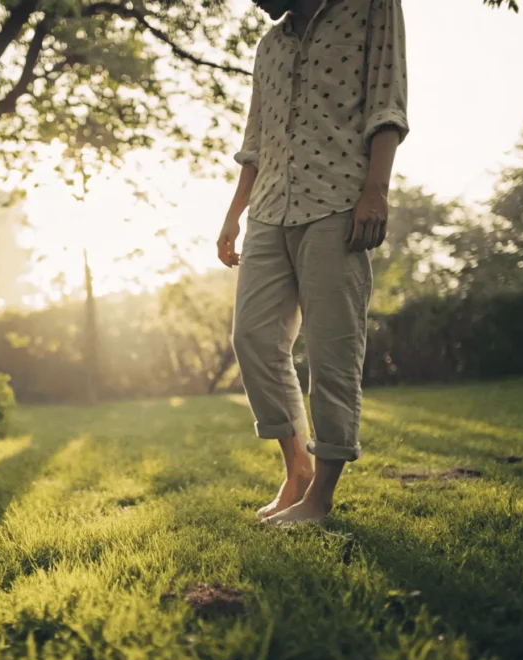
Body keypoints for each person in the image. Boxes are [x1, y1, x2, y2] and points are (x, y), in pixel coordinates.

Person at [218, 0, 408, 526]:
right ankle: (296, 467)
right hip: (270, 207)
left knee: (332, 351)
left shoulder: (371, 7)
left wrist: (376, 191)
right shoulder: (269, 45)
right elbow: (255, 142)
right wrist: (234, 215)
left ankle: (319, 499)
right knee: (253, 338)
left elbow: (386, 105)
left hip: (339, 204)